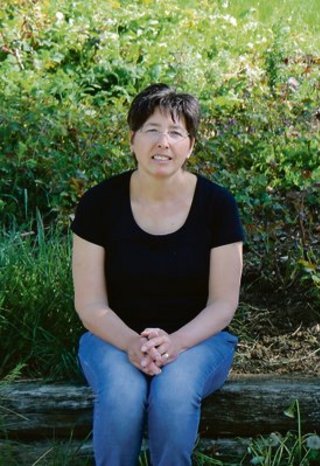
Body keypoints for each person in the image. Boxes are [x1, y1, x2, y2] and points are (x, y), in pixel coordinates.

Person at [71, 83, 244, 466]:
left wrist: (176, 343)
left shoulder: (218, 205)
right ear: (132, 139)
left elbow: (223, 304)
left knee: (173, 392)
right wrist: (132, 342)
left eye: (176, 132)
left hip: (198, 340)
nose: (162, 142)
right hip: (112, 338)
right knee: (122, 393)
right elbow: (90, 303)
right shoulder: (99, 204)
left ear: (191, 145)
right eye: (151, 130)